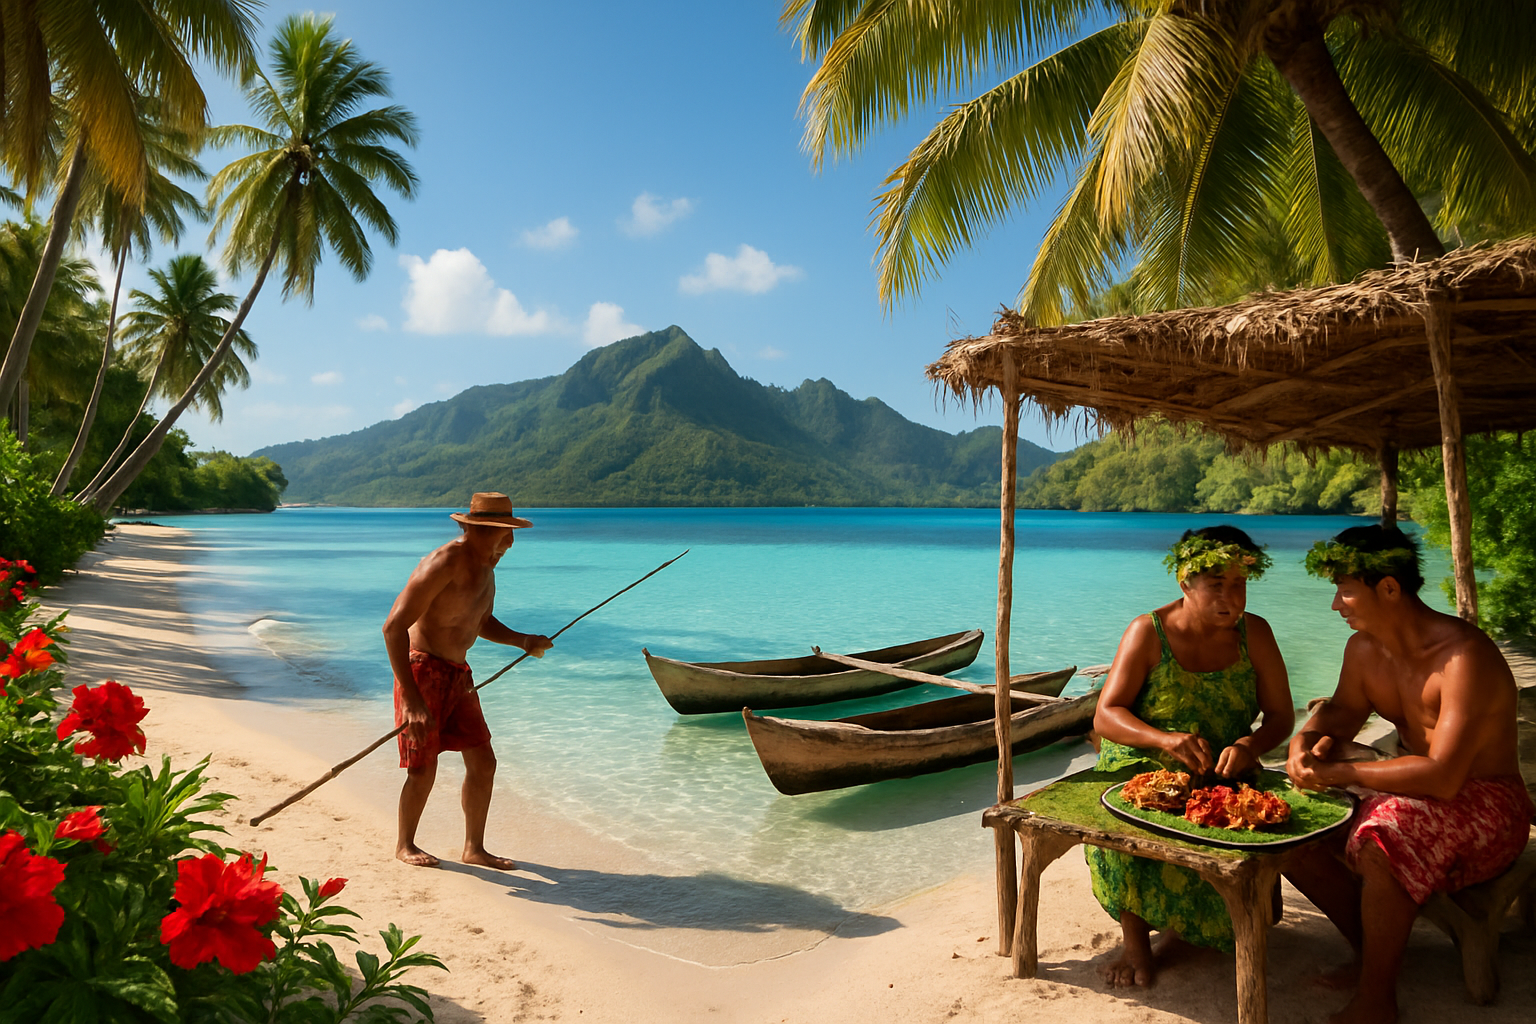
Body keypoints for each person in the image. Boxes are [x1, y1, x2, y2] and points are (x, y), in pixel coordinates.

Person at [1285, 524, 1531, 1024]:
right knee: (1288, 824)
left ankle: (1378, 999)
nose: (1336, 604)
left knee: (1384, 832)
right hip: (1413, 787)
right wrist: (1301, 742)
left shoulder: (1464, 658)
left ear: (1390, 588)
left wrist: (1338, 773)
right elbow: (1341, 713)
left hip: (1487, 803)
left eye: (1345, 589)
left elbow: (1442, 777)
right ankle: (1371, 954)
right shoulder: (1364, 650)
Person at [1089, 525, 1294, 988]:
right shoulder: (1148, 631)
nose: (1230, 598)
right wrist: (1163, 740)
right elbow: (1107, 715)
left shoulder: (1255, 633)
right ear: (1185, 583)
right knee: (1128, 816)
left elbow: (1281, 717)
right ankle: (1135, 945)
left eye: (1239, 585)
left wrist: (1249, 746)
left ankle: (1180, 930)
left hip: (1223, 768)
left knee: (1255, 891)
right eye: (1215, 585)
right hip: (1143, 764)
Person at [383, 492, 553, 869]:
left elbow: (479, 621)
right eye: (504, 533)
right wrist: (411, 700)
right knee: (423, 766)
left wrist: (523, 640)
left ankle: (474, 849)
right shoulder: (445, 562)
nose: (510, 543)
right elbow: (393, 627)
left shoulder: (486, 569)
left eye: (511, 533)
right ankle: (405, 844)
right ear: (477, 529)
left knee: (483, 760)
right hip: (422, 670)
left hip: (458, 675)